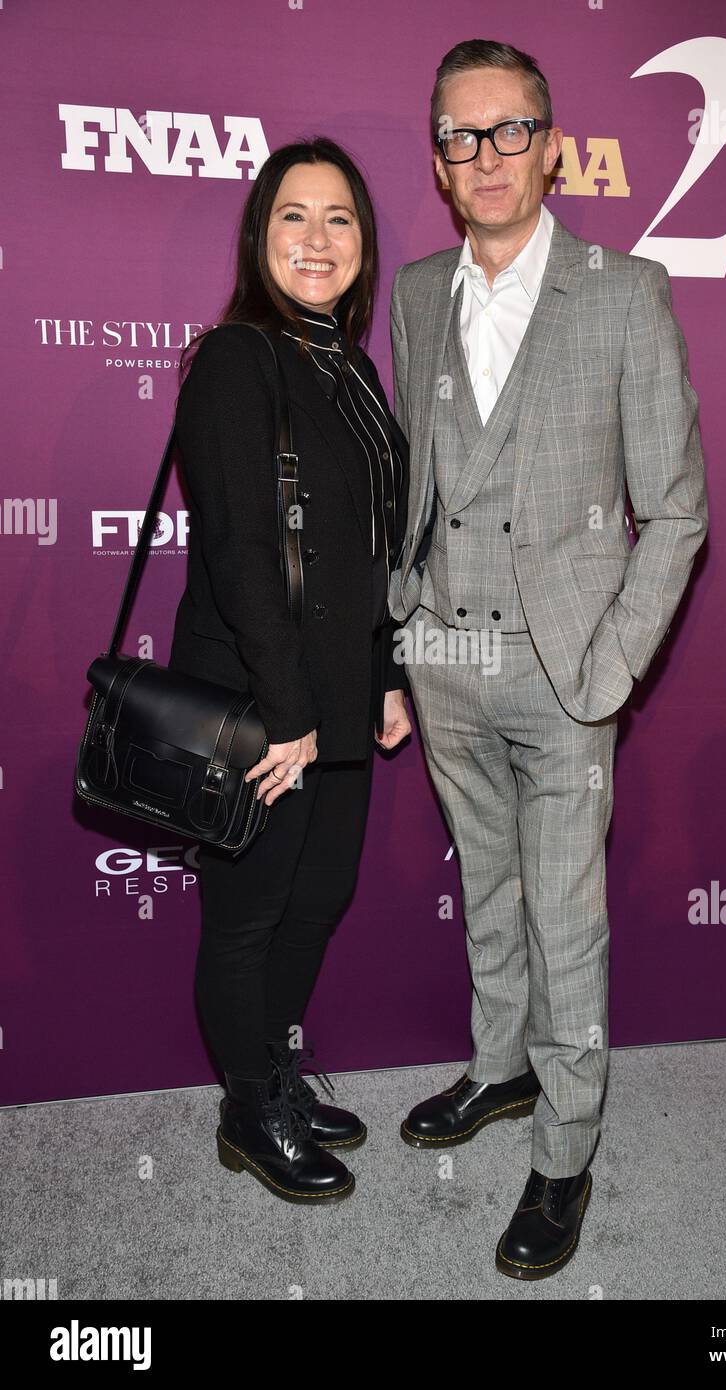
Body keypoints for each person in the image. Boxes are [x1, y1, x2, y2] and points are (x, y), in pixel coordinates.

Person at [389, 40, 708, 1277]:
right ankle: (503, 1068)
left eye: (509, 130)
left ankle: (566, 1153)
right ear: (439, 158)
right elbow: (417, 471)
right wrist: (403, 631)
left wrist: (613, 663)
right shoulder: (417, 292)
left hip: (566, 666)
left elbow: (676, 508)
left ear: (551, 143)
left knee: (565, 916)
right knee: (486, 883)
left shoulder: (626, 291)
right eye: (462, 137)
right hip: (444, 652)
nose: (487, 157)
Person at [169, 137, 411, 1205]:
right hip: (266, 705)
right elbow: (240, 549)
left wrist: (389, 675)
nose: (318, 240)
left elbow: (371, 549)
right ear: (259, 238)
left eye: (340, 219)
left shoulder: (349, 370)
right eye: (294, 218)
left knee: (319, 898)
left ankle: (273, 1068)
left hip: (345, 698)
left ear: (363, 243)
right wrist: (284, 711)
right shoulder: (237, 357)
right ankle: (247, 1111)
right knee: (252, 914)